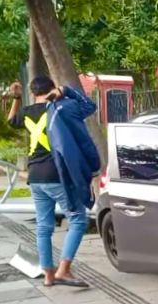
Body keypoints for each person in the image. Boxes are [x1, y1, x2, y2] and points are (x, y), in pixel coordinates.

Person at [7, 77, 100, 287]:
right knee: (78, 219)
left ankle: (48, 275)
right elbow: (90, 106)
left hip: (35, 176)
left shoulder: (27, 111)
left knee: (44, 227)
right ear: (52, 90)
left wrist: (17, 97)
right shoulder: (63, 108)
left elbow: (11, 121)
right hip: (57, 174)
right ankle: (64, 270)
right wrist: (66, 90)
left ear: (33, 93)